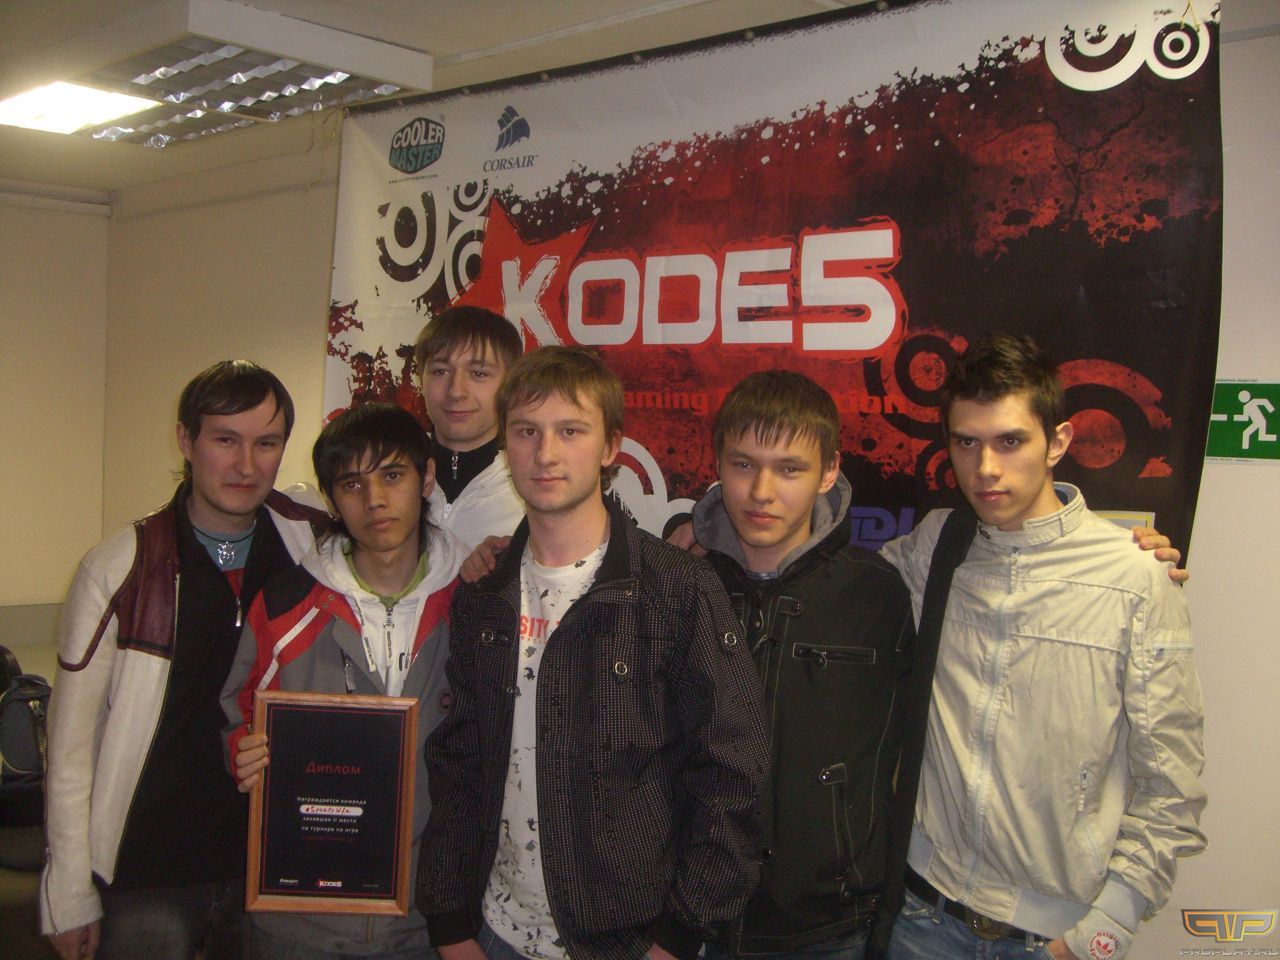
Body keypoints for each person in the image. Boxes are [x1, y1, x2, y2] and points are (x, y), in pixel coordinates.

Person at [417, 346, 769, 960]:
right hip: (492, 932)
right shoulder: (483, 594)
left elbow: (734, 774)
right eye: (526, 431)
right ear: (505, 444)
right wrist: (449, 923)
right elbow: (460, 761)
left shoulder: (677, 591)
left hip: (627, 942)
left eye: (570, 431)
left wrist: (679, 936)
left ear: (611, 448)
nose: (545, 454)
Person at [880, 334, 1206, 960]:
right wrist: (703, 535)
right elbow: (827, 576)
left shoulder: (1134, 578)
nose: (985, 468)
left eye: (1010, 441)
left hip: (1051, 938)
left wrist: (1096, 938)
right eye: (966, 443)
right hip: (920, 915)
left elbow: (1172, 786)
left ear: (1057, 442)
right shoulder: (936, 545)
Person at [41, 361, 328, 960]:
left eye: (266, 443)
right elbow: (71, 747)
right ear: (185, 440)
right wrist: (67, 891)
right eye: (225, 440)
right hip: (149, 871)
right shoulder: (118, 568)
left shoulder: (313, 546)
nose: (246, 465)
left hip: (271, 865)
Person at [690, 371, 918, 960]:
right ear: (718, 463)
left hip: (829, 926)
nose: (761, 491)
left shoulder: (881, 594)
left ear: (829, 471)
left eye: (789, 469)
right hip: (690, 917)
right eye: (743, 464)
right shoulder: (682, 587)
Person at [223, 402, 464, 959]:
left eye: (393, 475)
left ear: (427, 477)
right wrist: (242, 752)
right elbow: (234, 710)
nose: (374, 499)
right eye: (352, 484)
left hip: (428, 924)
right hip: (299, 922)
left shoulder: (474, 606)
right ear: (332, 499)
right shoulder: (285, 605)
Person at [414, 305, 526, 549]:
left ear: (509, 384)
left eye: (478, 373)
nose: (456, 391)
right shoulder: (390, 477)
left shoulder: (533, 487)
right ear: (420, 378)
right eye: (440, 371)